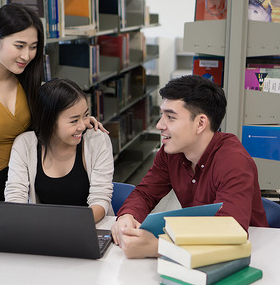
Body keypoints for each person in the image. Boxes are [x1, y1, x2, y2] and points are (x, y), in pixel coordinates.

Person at [0, 4, 104, 230]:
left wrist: (79, 120)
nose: (27, 55)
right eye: (19, 46)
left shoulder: (26, 78)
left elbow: (48, 118)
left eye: (33, 47)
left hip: (26, 175)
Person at [110, 75, 268, 258]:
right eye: (162, 115)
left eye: (170, 117)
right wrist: (126, 217)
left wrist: (158, 248)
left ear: (200, 123)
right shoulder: (171, 153)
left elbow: (231, 233)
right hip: (193, 247)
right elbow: (145, 193)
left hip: (251, 255)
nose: (159, 125)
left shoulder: (234, 162)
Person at [4, 78, 114, 222]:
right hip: (44, 230)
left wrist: (68, 226)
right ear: (49, 121)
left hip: (90, 226)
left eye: (85, 115)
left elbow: (100, 198)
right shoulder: (25, 145)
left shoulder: (97, 140)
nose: (82, 126)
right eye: (74, 120)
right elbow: (15, 197)